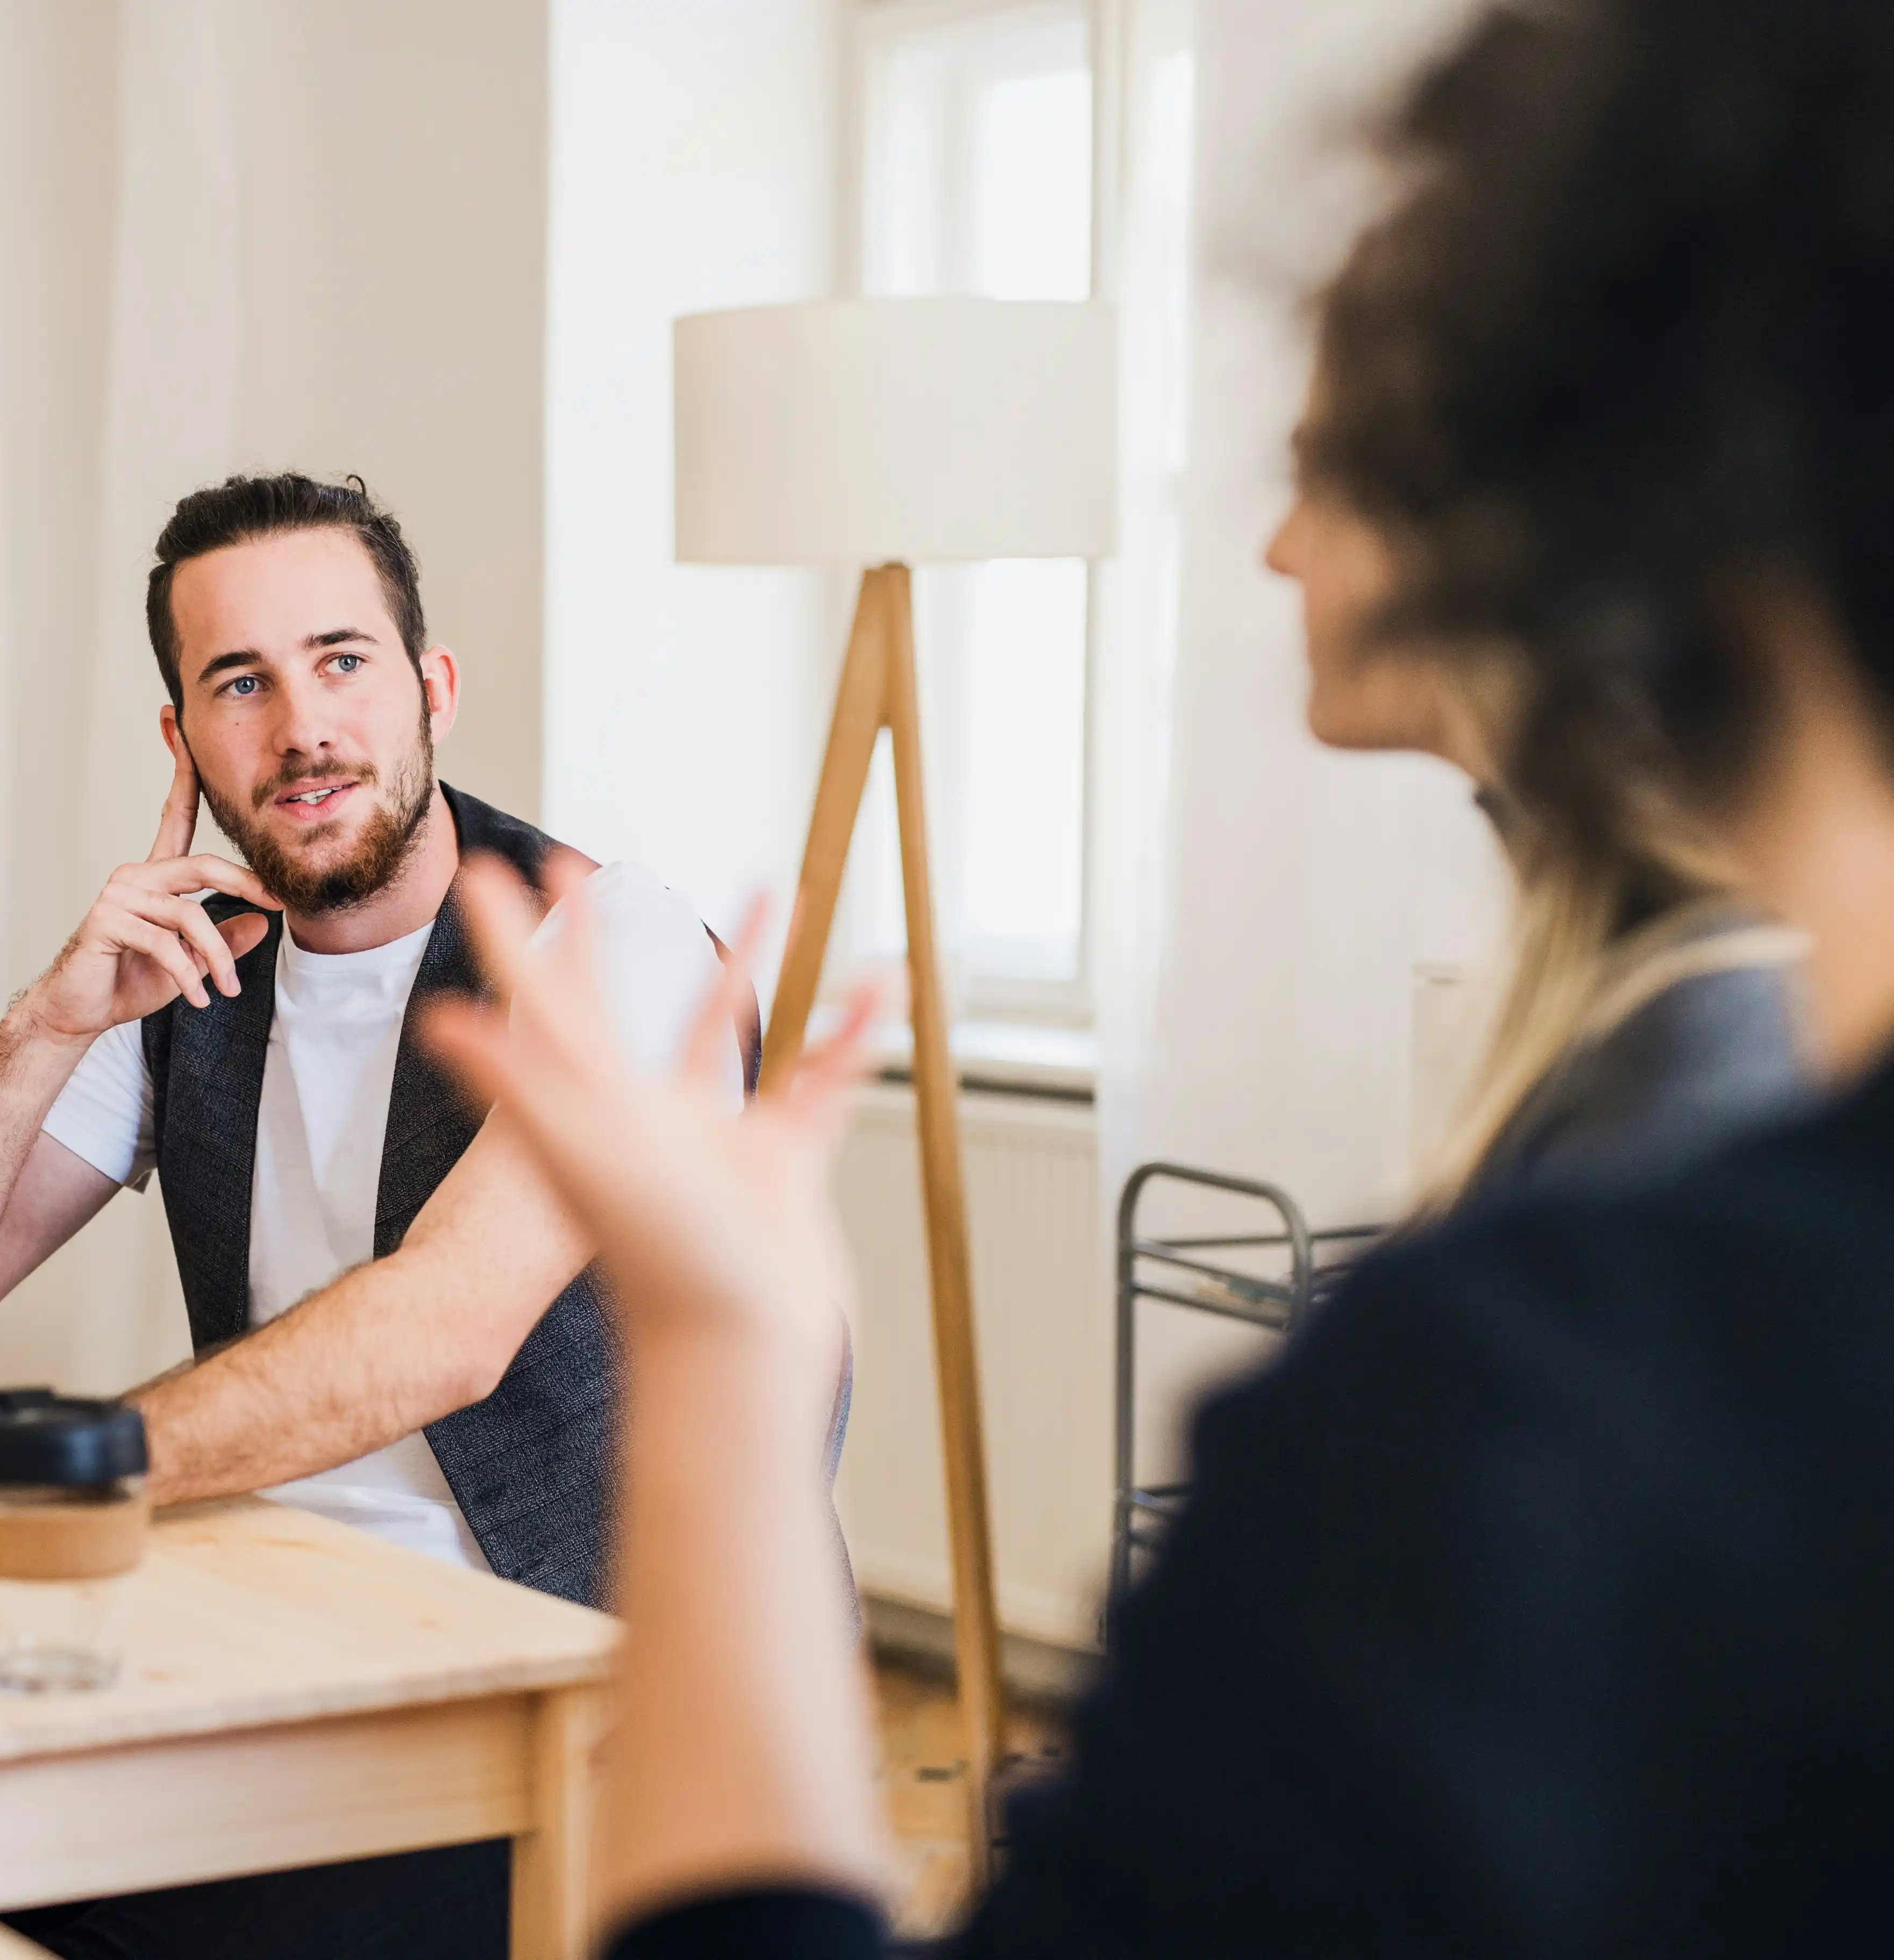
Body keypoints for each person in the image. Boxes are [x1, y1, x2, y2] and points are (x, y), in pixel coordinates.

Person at [422, 2, 1894, 1955]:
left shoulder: (1539, 1376)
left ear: (1587, 510)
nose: (1269, 548)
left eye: (1329, 464)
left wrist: (716, 1356)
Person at [0, 472, 803, 1960]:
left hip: (565, 1697)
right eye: (242, 682)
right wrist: (47, 1022)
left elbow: (446, 1327)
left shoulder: (612, 939)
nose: (302, 727)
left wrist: (12, 1468)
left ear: (431, 688)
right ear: (182, 740)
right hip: (263, 1628)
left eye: (342, 660)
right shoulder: (196, 966)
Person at [1269, 297, 1805, 1212]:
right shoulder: (1617, 978)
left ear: (1476, 539)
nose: (1278, 552)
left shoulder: (1694, 1048)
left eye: (1323, 482)